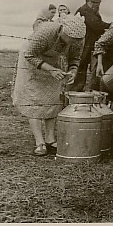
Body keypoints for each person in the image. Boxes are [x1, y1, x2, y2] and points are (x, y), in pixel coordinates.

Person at [12, 15, 86, 156]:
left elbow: (75, 58)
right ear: (62, 31)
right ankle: (39, 142)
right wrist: (50, 69)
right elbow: (30, 55)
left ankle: (50, 139)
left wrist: (73, 70)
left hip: (53, 64)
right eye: (70, 39)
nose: (73, 43)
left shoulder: (78, 39)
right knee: (34, 101)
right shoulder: (45, 32)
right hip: (32, 63)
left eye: (76, 41)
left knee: (52, 101)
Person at [70, 0, 110, 91]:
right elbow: (97, 26)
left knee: (83, 69)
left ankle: (78, 91)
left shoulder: (91, 11)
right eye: (97, 3)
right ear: (91, 2)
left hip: (88, 45)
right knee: (80, 68)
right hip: (83, 45)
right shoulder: (85, 11)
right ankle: (74, 92)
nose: (98, 6)